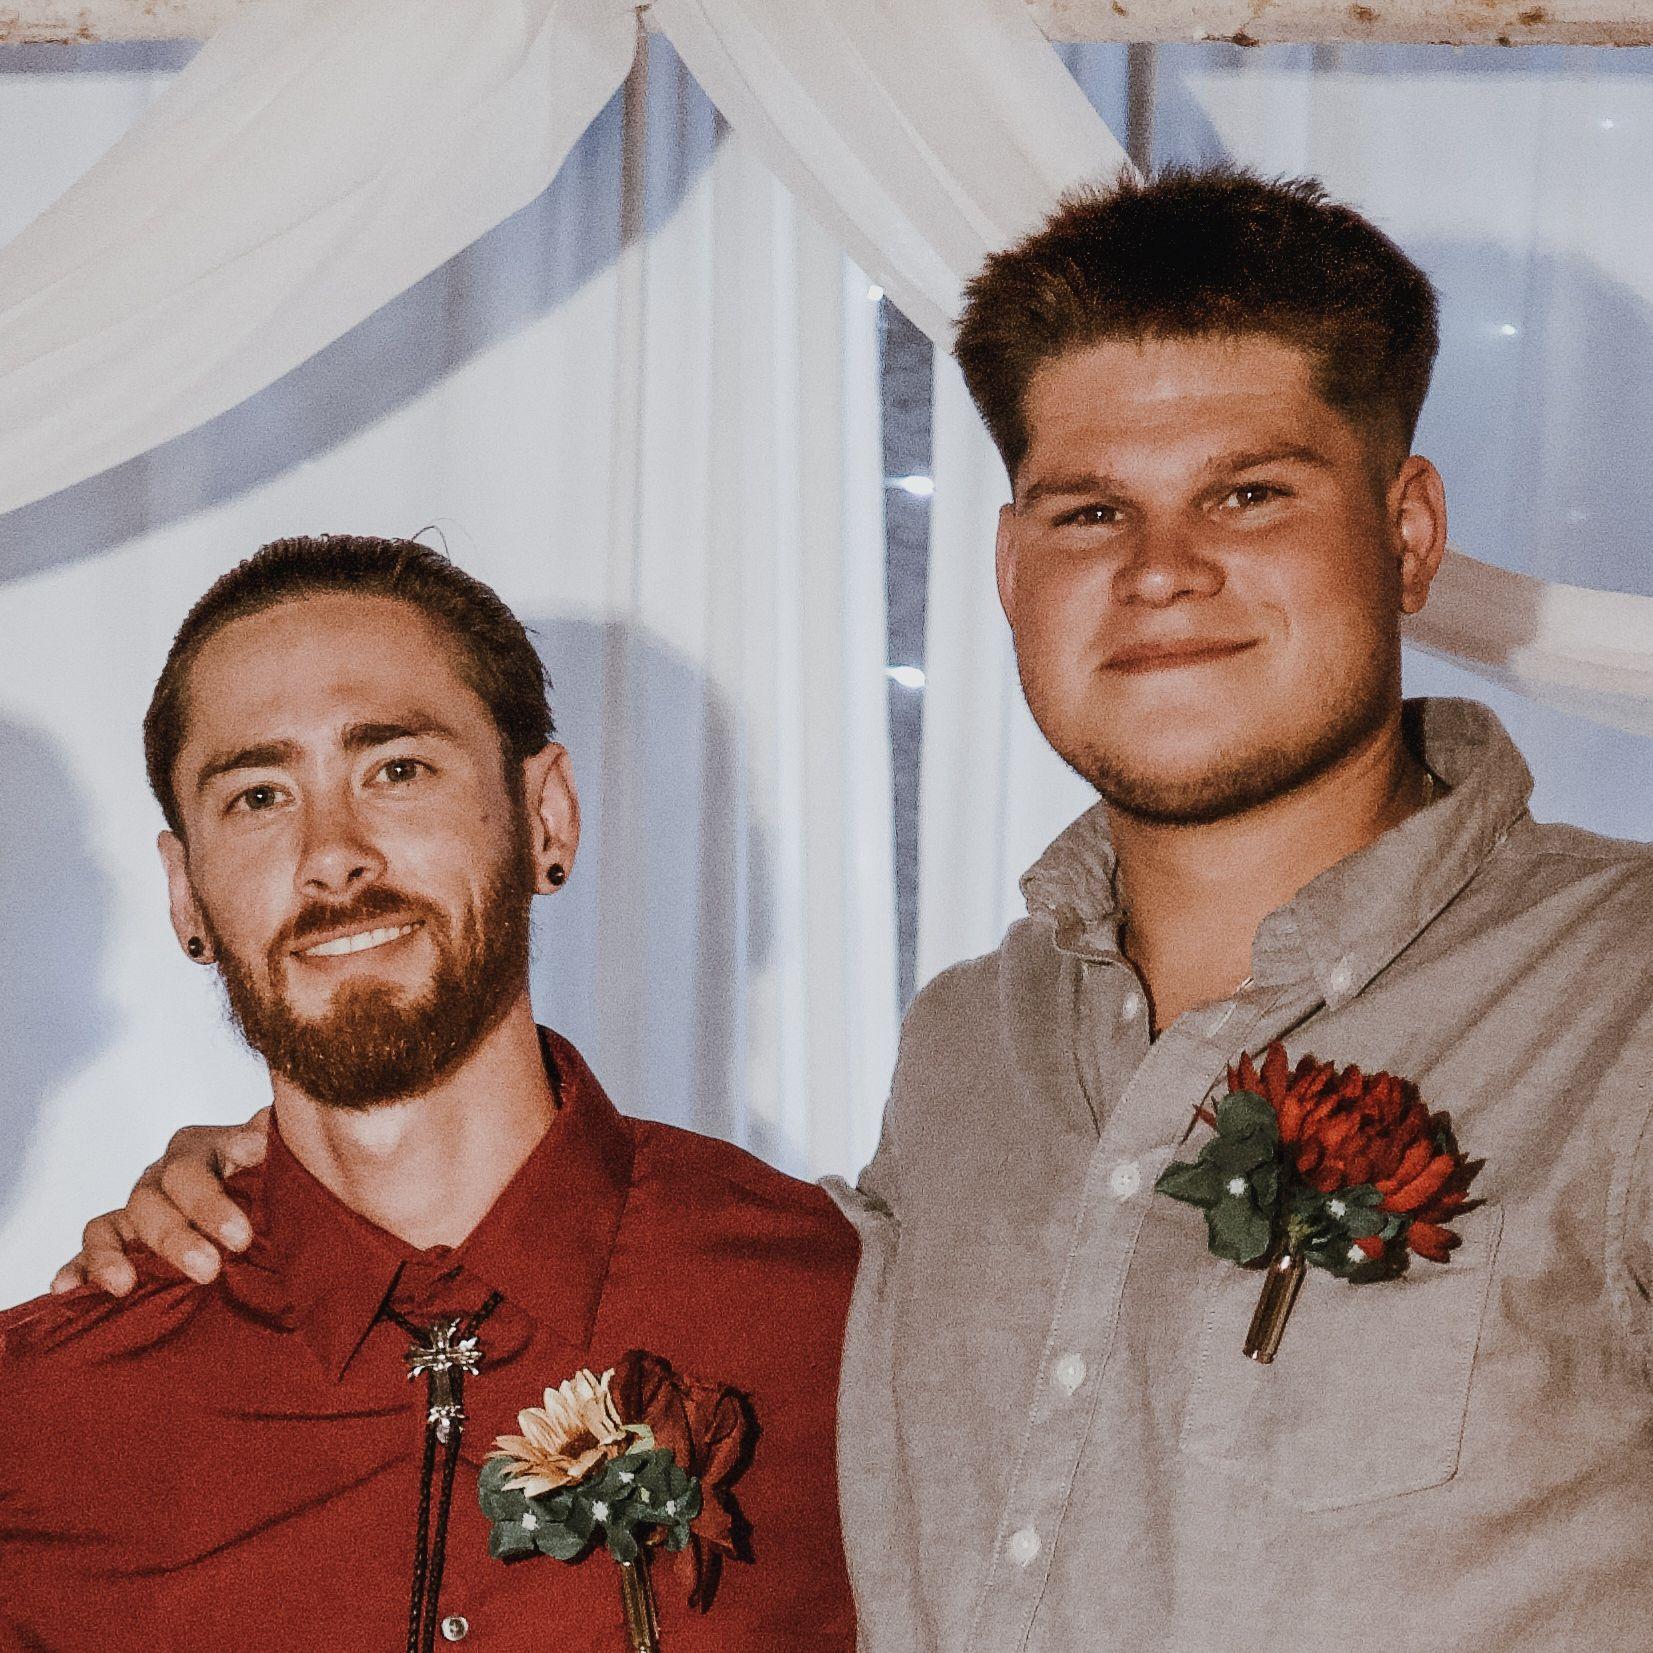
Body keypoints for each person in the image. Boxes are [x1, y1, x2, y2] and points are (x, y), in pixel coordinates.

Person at [52, 169, 1653, 1650]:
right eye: (1091, 510)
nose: (1161, 568)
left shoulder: (1619, 1004)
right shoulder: (971, 1056)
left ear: (1408, 533)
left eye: (1246, 494)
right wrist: (288, 1186)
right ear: (1012, 568)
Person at [0, 537, 857, 1652]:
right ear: (186, 894)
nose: (332, 855)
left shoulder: (844, 1317)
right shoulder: (45, 1415)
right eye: (258, 796)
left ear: (545, 816)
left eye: (396, 770)